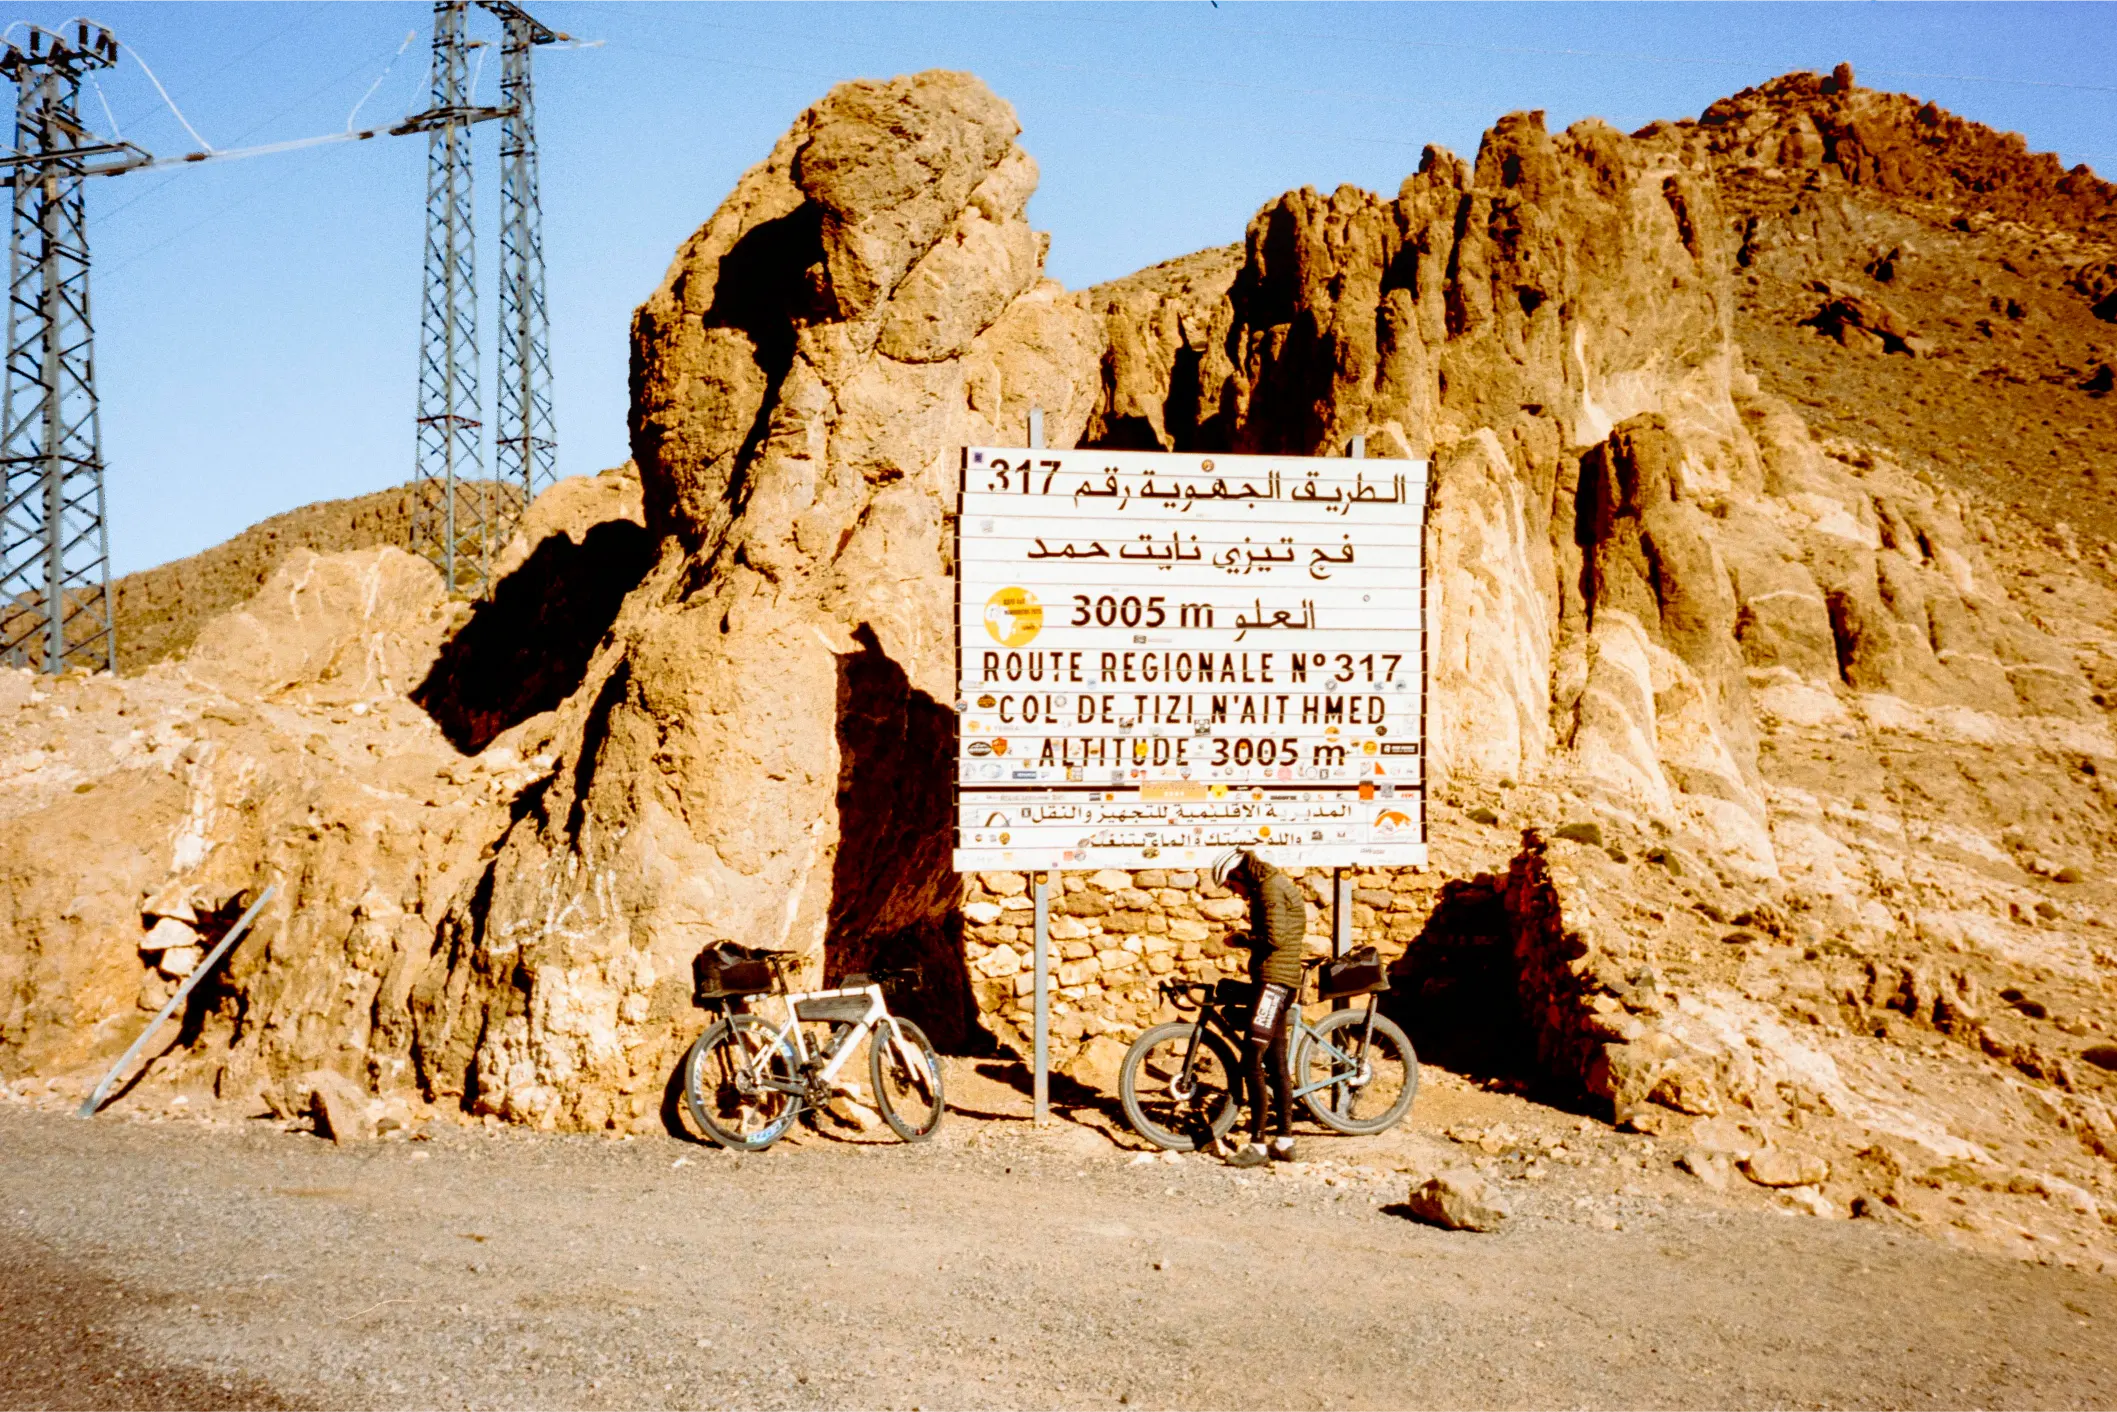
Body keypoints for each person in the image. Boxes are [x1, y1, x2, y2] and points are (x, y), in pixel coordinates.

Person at [1208, 847, 1307, 1167]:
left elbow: (1274, 938)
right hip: (1280, 981)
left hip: (1274, 983)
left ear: (1239, 874)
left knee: (1250, 1062)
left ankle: (1258, 1146)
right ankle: (1285, 1141)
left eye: (1230, 886)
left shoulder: (1268, 890)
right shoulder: (1274, 885)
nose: (1233, 893)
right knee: (1277, 1063)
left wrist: (1242, 940)